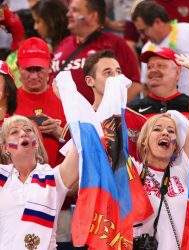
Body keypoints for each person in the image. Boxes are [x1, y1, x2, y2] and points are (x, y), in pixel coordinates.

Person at [132, 54, 189, 250]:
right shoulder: (133, 171)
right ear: (144, 141)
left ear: (174, 144)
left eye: (170, 131)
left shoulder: (182, 169)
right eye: (157, 129)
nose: (165, 133)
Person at [0, 115, 78, 249]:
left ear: (35, 142)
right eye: (14, 132)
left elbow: (82, 148)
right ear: (5, 148)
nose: (23, 133)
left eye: (29, 130)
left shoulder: (53, 178)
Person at [51, 0, 141, 104]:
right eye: (69, 10)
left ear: (93, 15)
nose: (68, 14)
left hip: (99, 119)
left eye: (75, 10)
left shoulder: (114, 43)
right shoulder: (64, 43)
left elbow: (135, 84)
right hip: (61, 117)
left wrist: (108, 111)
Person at [131, 1, 189, 96]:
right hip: (166, 108)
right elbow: (146, 86)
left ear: (157, 22)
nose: (142, 36)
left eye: (143, 30)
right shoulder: (146, 48)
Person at [83, 49, 147, 159]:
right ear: (90, 81)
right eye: (108, 73)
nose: (116, 78)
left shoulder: (140, 121)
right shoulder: (81, 120)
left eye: (118, 72)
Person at [16, 37, 68, 167]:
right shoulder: (7, 102)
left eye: (38, 69)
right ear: (18, 67)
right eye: (28, 69)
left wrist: (58, 131)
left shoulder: (66, 100)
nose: (33, 76)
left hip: (60, 182)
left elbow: (84, 146)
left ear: (50, 67)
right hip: (16, 182)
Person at [127, 47, 189, 118]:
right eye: (149, 67)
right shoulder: (131, 110)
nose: (153, 70)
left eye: (160, 66)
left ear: (177, 72)